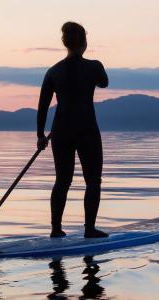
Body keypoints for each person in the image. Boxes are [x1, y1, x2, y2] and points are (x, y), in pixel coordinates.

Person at [37, 21, 109, 238]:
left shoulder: (53, 71)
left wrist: (40, 135)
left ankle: (56, 229)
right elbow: (104, 83)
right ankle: (89, 229)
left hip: (61, 131)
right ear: (84, 42)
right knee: (93, 181)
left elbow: (42, 106)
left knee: (62, 181)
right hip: (87, 130)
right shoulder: (94, 66)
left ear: (65, 43)